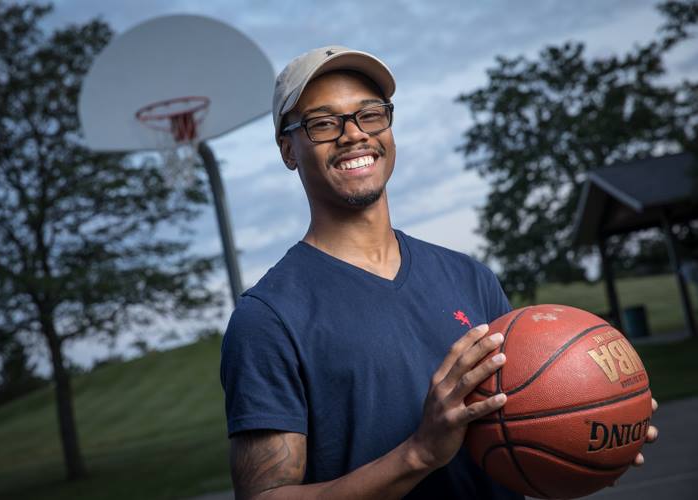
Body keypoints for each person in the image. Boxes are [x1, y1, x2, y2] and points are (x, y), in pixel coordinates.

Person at [220, 46, 657, 499]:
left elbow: (516, 432)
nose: (353, 135)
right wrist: (419, 453)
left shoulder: (470, 278)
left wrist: (597, 428)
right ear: (289, 149)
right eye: (324, 123)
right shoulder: (268, 318)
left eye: (370, 115)